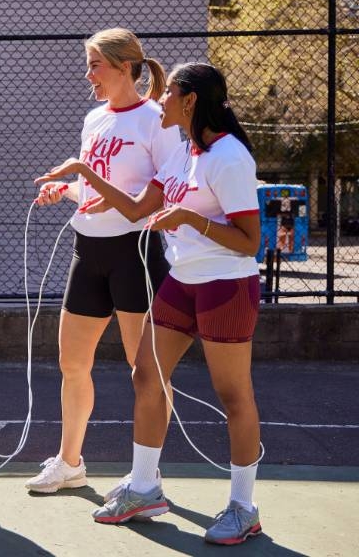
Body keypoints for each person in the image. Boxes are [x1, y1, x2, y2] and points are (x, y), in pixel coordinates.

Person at [36, 62, 263, 546]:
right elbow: (139, 208)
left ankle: (243, 508)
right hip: (181, 282)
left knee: (233, 396)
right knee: (146, 375)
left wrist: (191, 220)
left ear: (190, 100)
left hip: (226, 286)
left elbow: (248, 242)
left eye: (169, 95)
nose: (160, 100)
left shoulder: (229, 157)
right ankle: (144, 488)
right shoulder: (184, 153)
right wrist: (81, 175)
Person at [25, 28, 180, 494]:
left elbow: (166, 196)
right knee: (72, 363)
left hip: (134, 253)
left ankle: (147, 473)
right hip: (86, 250)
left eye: (95, 64)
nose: (88, 73)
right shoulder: (94, 118)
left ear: (124, 67)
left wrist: (104, 193)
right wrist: (66, 190)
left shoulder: (156, 119)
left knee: (145, 371)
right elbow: (94, 192)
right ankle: (70, 463)